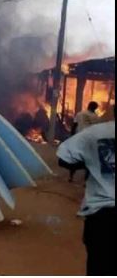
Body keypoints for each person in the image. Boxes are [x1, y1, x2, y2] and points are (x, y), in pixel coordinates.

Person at [57, 107, 115, 276]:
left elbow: (64, 159)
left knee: (99, 267)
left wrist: (92, 163)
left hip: (101, 216)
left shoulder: (93, 133)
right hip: (101, 216)